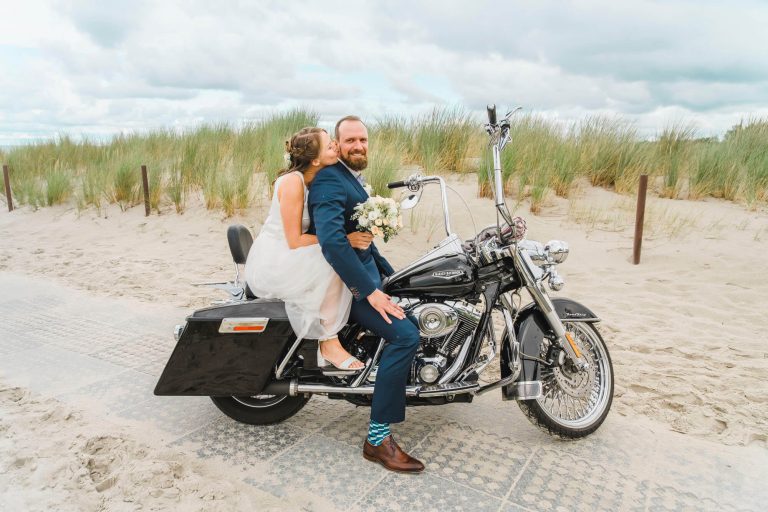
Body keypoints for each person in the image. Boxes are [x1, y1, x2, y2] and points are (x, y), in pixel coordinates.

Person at [308, 116, 425, 473]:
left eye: (363, 140)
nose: (358, 146)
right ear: (338, 145)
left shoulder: (351, 178)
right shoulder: (330, 178)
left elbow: (364, 241)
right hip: (345, 288)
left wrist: (393, 276)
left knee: (415, 315)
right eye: (350, 141)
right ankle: (377, 440)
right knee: (406, 336)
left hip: (365, 280)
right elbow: (331, 241)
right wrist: (370, 292)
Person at [244, 127, 371, 370]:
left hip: (293, 249)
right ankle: (328, 342)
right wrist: (346, 238)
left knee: (340, 254)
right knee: (333, 261)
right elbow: (294, 241)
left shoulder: (319, 178)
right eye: (330, 145)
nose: (335, 145)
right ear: (315, 159)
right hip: (278, 256)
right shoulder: (293, 182)